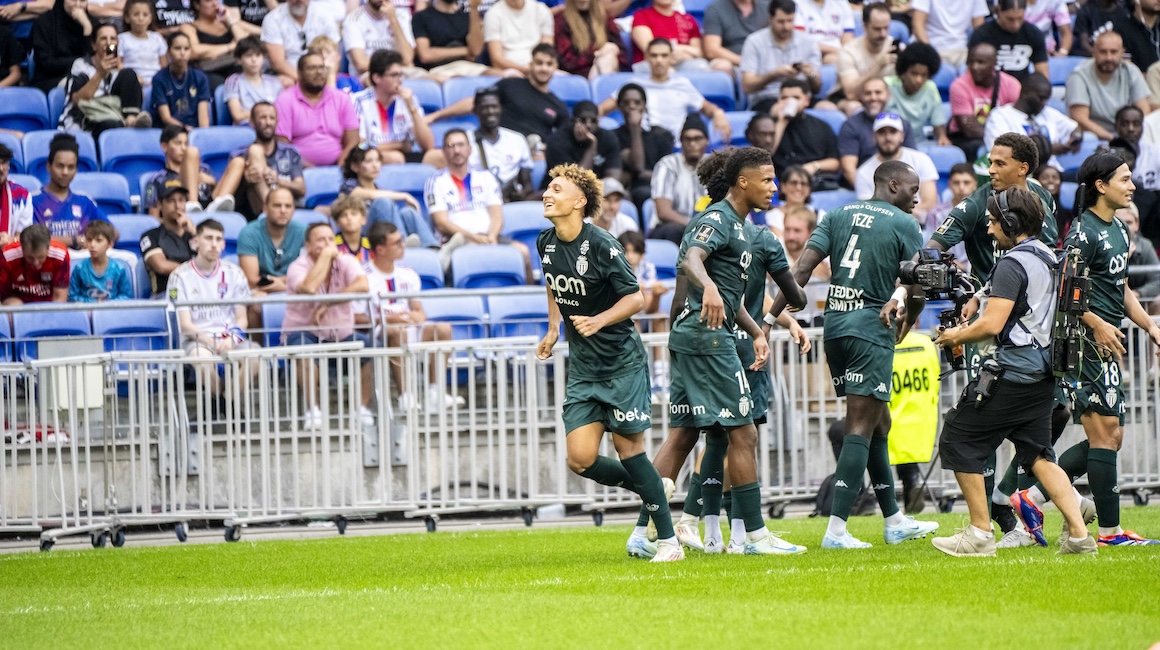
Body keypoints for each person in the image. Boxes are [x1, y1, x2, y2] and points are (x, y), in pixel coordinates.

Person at [647, 146, 807, 555]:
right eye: (768, 180)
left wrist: (757, 328)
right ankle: (750, 535)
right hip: (712, 338)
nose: (774, 187)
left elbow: (706, 284)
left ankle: (657, 529)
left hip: (695, 334)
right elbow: (695, 264)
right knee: (740, 433)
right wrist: (725, 295)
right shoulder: (728, 224)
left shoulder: (727, 226)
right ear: (741, 181)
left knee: (688, 435)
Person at [772, 159, 939, 549]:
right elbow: (916, 286)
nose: (917, 198)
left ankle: (894, 519)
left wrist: (769, 318)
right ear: (893, 186)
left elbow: (801, 271)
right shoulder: (904, 224)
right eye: (913, 191)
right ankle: (836, 530)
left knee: (880, 424)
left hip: (836, 328)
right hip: (870, 329)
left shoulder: (837, 213)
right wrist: (909, 321)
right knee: (860, 427)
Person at [930, 186, 1097, 556]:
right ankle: (1080, 535)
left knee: (958, 438)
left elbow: (992, 324)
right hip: (1044, 376)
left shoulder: (1011, 263)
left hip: (1014, 373)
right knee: (1038, 455)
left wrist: (954, 335)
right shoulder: (1049, 255)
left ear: (1010, 222)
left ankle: (978, 533)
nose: (988, 230)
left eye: (992, 221)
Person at [534, 163, 683, 562]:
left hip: (621, 362)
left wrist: (598, 320)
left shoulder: (602, 244)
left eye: (557, 188)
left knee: (628, 451)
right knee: (579, 459)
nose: (548, 193)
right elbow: (553, 282)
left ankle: (669, 543)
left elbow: (634, 298)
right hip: (584, 368)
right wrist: (553, 328)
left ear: (579, 202)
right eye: (548, 187)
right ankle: (653, 488)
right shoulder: (545, 242)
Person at [1010, 153, 1160, 547]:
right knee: (1106, 433)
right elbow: (1066, 289)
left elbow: (1121, 288)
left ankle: (1033, 496)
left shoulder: (1120, 231)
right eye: (1125, 179)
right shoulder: (1083, 231)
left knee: (1110, 437)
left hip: (1107, 341)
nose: (1132, 186)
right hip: (1083, 342)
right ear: (1101, 185)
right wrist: (1096, 324)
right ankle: (1109, 532)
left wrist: (1150, 326)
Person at [361, 220, 463, 410]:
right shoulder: (363, 276)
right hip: (379, 332)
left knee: (442, 328)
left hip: (407, 325)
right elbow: (356, 317)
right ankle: (405, 395)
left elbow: (417, 308)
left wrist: (418, 316)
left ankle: (435, 392)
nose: (403, 246)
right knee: (396, 330)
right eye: (397, 243)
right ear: (381, 249)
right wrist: (387, 319)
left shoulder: (408, 274)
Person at [283, 221, 375, 430]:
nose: (327, 244)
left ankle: (361, 409)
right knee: (304, 351)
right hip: (305, 332)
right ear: (307, 246)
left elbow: (362, 284)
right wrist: (325, 257)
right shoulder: (297, 267)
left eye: (330, 240)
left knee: (370, 347)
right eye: (321, 240)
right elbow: (308, 287)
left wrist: (327, 302)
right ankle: (313, 411)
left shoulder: (346, 261)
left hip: (340, 335)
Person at [168, 218, 260, 401]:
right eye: (208, 238)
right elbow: (185, 325)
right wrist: (210, 341)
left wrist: (231, 338)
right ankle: (221, 404)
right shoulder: (179, 276)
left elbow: (242, 319)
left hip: (229, 337)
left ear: (224, 244)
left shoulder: (235, 273)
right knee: (202, 360)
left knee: (255, 356)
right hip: (196, 340)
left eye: (218, 239)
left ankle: (226, 402)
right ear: (195, 242)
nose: (214, 244)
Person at [425, 129, 532, 275]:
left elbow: (497, 215)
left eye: (461, 145)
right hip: (457, 240)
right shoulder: (436, 181)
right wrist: (474, 238)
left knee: (523, 252)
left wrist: (492, 237)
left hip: (490, 236)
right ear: (443, 151)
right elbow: (441, 223)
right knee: (472, 254)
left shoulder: (486, 177)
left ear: (469, 149)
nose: (457, 150)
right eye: (451, 146)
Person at [597, 38, 732, 145]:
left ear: (671, 58)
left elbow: (707, 108)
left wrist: (717, 113)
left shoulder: (682, 84)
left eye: (664, 55)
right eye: (654, 55)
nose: (659, 60)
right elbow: (602, 109)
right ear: (647, 58)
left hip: (678, 147)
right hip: (644, 146)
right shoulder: (634, 85)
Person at [427, 44, 569, 146]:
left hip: (532, 154)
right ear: (530, 64)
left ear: (555, 67)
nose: (544, 68)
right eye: (539, 63)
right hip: (496, 145)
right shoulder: (511, 84)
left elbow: (562, 142)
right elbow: (476, 103)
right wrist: (434, 116)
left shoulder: (559, 106)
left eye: (549, 64)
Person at [213, 102, 306, 221]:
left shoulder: (290, 152)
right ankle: (272, 208)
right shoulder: (240, 153)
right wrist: (245, 182)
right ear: (252, 122)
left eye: (272, 118)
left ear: (277, 122)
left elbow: (301, 189)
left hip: (288, 206)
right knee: (255, 151)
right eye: (263, 117)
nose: (268, 122)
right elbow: (228, 196)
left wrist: (279, 181)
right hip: (254, 210)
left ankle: (274, 206)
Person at [352, 50, 440, 167]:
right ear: (377, 78)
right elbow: (360, 145)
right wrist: (399, 145)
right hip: (371, 157)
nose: (400, 80)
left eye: (400, 75)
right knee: (396, 158)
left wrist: (412, 109)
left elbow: (428, 145)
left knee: (439, 157)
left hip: (405, 156)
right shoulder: (359, 101)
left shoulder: (408, 99)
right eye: (394, 75)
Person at [338, 146, 439, 248]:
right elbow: (371, 195)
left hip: (382, 230)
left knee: (407, 213)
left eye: (378, 160)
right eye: (369, 161)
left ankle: (434, 249)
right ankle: (401, 242)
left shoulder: (379, 189)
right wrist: (405, 196)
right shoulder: (349, 186)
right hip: (363, 233)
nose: (375, 165)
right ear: (355, 166)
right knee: (383, 202)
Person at [61, 22, 150, 135]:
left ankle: (131, 120)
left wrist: (128, 75)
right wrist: (100, 74)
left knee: (129, 74)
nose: (108, 43)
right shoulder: (81, 65)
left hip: (114, 116)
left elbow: (139, 97)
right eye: (103, 39)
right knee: (113, 125)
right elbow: (77, 100)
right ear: (93, 45)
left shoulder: (121, 71)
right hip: (84, 119)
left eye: (113, 39)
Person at [274, 52, 360, 168]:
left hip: (339, 167)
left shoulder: (341, 98)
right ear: (299, 73)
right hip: (299, 169)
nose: (319, 72)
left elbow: (353, 140)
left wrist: (341, 165)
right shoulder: (285, 100)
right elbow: (282, 144)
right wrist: (312, 171)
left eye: (322, 67)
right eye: (312, 68)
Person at [984, 73, 1082, 171]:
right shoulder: (1000, 116)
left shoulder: (1047, 112)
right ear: (1026, 93)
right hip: (1021, 174)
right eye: (1041, 98)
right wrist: (1048, 150)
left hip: (1052, 173)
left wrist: (1076, 138)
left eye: (1046, 99)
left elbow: (1074, 128)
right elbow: (1002, 151)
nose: (1044, 103)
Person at [1066, 31, 1151, 142]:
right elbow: (1080, 119)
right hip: (1097, 138)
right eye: (1103, 52)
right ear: (1094, 52)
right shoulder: (1079, 75)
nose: (1109, 57)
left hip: (1129, 134)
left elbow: (1144, 111)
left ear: (1122, 53)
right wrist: (1114, 140)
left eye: (1114, 52)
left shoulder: (1131, 71)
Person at [740, 0, 823, 111]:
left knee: (828, 108)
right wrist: (774, 74)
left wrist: (810, 75)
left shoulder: (808, 42)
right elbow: (747, 86)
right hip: (768, 98)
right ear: (770, 18)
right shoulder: (754, 41)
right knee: (784, 110)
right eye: (781, 22)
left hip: (802, 98)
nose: (786, 27)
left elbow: (817, 88)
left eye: (790, 21)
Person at [854, 113, 939, 221]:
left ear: (902, 136)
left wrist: (892, 212)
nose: (888, 137)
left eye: (893, 132)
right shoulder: (863, 172)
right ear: (874, 137)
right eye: (881, 132)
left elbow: (930, 203)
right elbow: (869, 212)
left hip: (921, 226)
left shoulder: (921, 160)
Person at [948, 43, 1022, 163]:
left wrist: (981, 127)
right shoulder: (959, 86)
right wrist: (997, 131)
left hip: (998, 137)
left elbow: (1015, 122)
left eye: (980, 62)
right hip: (965, 140)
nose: (974, 67)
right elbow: (968, 130)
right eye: (971, 62)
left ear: (994, 63)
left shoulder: (1011, 84)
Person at [32, 134, 106, 250]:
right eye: (60, 166)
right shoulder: (33, 201)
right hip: (49, 259)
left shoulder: (84, 200)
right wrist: (74, 240)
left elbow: (112, 232)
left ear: (76, 170)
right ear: (48, 166)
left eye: (71, 167)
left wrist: (93, 241)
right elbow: (32, 239)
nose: (65, 172)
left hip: (83, 259)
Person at [838, 77, 916, 187]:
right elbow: (849, 169)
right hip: (864, 189)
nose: (873, 97)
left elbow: (911, 163)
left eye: (878, 92)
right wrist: (875, 195)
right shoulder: (850, 126)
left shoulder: (902, 124)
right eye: (868, 93)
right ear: (861, 97)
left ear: (888, 95)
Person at [143, 124, 231, 216]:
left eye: (186, 144)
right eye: (178, 143)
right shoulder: (157, 179)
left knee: (237, 162)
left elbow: (215, 193)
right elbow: (154, 217)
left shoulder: (204, 169)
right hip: (179, 219)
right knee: (192, 151)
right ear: (164, 147)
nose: (184, 148)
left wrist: (211, 181)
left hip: (209, 215)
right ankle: (192, 206)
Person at [466, 87, 536, 203]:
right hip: (480, 201)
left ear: (501, 109)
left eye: (494, 107)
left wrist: (521, 194)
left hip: (512, 200)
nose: (490, 111)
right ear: (475, 111)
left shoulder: (517, 139)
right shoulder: (466, 140)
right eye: (485, 107)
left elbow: (528, 184)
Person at [648, 115, 708, 243]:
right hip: (669, 227)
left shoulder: (715, 165)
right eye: (687, 139)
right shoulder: (667, 165)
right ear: (681, 142)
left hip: (706, 229)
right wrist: (695, 226)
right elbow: (664, 212)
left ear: (707, 141)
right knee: (674, 231)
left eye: (697, 139)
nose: (692, 144)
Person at [612, 83, 675, 208]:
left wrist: (644, 174)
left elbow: (666, 174)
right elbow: (637, 166)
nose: (632, 106)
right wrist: (635, 129)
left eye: (637, 102)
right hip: (630, 191)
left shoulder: (660, 137)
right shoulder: (613, 136)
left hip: (657, 188)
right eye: (627, 103)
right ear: (619, 107)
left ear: (644, 106)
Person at [767, 78, 840, 185]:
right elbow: (766, 154)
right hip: (783, 183)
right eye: (784, 98)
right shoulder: (769, 125)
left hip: (815, 180)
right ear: (778, 100)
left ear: (806, 101)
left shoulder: (820, 125)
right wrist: (782, 122)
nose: (789, 102)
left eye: (796, 98)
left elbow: (835, 162)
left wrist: (814, 166)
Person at [237, 187, 306, 294]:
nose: (283, 211)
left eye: (288, 206)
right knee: (257, 302)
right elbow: (251, 281)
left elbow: (310, 275)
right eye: (277, 205)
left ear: (293, 210)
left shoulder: (304, 232)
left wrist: (281, 285)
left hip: (296, 291)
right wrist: (289, 283)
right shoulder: (249, 233)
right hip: (261, 291)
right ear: (265, 208)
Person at [260, 0, 340, 86]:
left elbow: (334, 55)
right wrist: (307, 80)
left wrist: (325, 78)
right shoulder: (273, 19)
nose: (299, 0)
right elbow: (278, 63)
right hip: (289, 73)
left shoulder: (324, 15)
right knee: (286, 82)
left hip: (321, 70)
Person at [967, 0, 1050, 83]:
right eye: (1010, 19)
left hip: (1023, 90)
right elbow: (971, 72)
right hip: (989, 89)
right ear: (999, 11)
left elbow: (1042, 73)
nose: (1015, 24)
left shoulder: (1033, 34)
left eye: (1020, 18)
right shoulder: (982, 34)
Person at [885, 41, 949, 147]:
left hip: (919, 143)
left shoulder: (930, 88)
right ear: (903, 73)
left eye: (924, 75)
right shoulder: (887, 86)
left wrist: (942, 136)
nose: (919, 80)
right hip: (890, 144)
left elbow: (937, 119)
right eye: (914, 74)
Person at [544, 101, 622, 187]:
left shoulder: (608, 138)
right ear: (573, 121)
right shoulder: (557, 140)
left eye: (593, 121)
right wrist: (592, 146)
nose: (588, 125)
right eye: (583, 120)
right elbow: (575, 182)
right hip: (559, 190)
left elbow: (613, 177)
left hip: (596, 191)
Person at [410, 0, 490, 82]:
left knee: (499, 75)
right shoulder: (421, 17)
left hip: (470, 67)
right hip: (439, 70)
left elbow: (476, 50)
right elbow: (425, 55)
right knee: (457, 80)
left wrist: (474, 9)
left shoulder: (466, 17)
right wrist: (467, 50)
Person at [140, 179, 195, 295]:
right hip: (166, 295)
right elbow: (162, 266)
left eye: (181, 200)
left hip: (197, 293)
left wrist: (194, 232)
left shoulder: (195, 234)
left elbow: (213, 260)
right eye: (171, 201)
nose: (178, 206)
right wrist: (196, 271)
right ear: (160, 204)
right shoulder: (150, 236)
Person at [180, 0, 252, 89]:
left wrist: (230, 21)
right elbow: (195, 51)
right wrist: (231, 47)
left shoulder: (227, 23)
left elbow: (245, 43)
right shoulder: (189, 27)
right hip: (208, 71)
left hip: (234, 66)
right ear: (197, 5)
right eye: (208, 1)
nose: (215, 4)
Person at [834, 2, 895, 104]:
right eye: (877, 29)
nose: (883, 34)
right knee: (854, 106)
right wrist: (878, 66)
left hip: (883, 100)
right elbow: (851, 94)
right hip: (849, 100)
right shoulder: (848, 52)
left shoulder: (895, 47)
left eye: (886, 28)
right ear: (865, 26)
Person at [150, 31, 211, 129]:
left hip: (194, 130)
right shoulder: (159, 79)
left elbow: (203, 117)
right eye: (177, 48)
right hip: (169, 130)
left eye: (186, 49)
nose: (182, 53)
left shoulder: (200, 77)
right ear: (168, 52)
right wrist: (185, 129)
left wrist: (201, 134)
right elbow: (166, 118)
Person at [554, 0, 627, 78]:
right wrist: (597, 54)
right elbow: (565, 61)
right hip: (575, 75)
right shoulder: (561, 19)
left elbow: (623, 57)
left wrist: (613, 49)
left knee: (608, 57)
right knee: (605, 58)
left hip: (605, 66)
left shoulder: (604, 17)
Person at [31, 0, 93, 92]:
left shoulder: (91, 23)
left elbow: (94, 59)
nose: (78, 5)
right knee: (80, 85)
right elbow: (46, 63)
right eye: (73, 0)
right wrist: (79, 61)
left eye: (83, 1)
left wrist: (87, 29)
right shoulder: (44, 22)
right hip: (50, 79)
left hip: (86, 77)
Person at [342, 0, 415, 76]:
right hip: (370, 74)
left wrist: (393, 20)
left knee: (424, 76)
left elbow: (407, 58)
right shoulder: (354, 20)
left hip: (399, 71)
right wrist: (391, 68)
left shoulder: (401, 17)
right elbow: (361, 63)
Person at [0, 224, 69, 304]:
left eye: (41, 257)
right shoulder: (7, 255)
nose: (36, 263)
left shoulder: (60, 255)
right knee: (14, 304)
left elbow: (59, 298)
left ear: (48, 248)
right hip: (16, 300)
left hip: (48, 304)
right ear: (22, 248)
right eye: (30, 257)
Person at [630, 0, 706, 70]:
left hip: (681, 62)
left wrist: (684, 53)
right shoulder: (642, 16)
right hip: (650, 64)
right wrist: (674, 51)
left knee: (701, 66)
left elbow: (698, 51)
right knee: (666, 72)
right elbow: (649, 49)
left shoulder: (688, 19)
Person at [483, 0, 552, 77]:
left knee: (563, 77)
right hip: (509, 69)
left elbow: (548, 50)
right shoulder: (493, 14)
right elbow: (496, 59)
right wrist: (525, 70)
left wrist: (537, 67)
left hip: (540, 67)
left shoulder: (541, 10)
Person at [911, 0, 989, 68]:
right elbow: (918, 26)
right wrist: (931, 55)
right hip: (933, 49)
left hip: (962, 52)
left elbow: (979, 29)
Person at [223, 37, 281, 126]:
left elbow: (281, 112)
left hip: (271, 127)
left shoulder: (274, 82)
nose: (254, 60)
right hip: (245, 128)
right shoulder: (233, 81)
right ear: (239, 60)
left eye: (258, 55)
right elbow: (237, 115)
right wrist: (265, 114)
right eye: (248, 56)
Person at [68, 220, 132, 301]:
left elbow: (126, 296)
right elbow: (72, 297)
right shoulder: (79, 269)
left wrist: (108, 304)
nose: (92, 245)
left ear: (110, 244)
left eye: (98, 240)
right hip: (85, 312)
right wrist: (93, 303)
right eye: (89, 240)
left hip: (112, 312)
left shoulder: (119, 269)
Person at [702, 0, 770, 76]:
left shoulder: (768, 7)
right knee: (722, 67)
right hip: (732, 62)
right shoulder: (715, 9)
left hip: (763, 60)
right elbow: (712, 50)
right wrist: (745, 61)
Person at [1120, 202, 1160, 314]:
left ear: (1137, 224)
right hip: (1111, 301)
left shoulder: (1145, 246)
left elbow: (1157, 281)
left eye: (1129, 222)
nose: (1125, 227)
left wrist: (1137, 294)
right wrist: (1124, 259)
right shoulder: (1102, 244)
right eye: (1120, 222)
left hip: (1139, 303)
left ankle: (1153, 331)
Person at [119, 0, 168, 87]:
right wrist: (134, 78)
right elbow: (118, 64)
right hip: (132, 84)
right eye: (136, 14)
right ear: (127, 17)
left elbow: (163, 65)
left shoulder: (157, 38)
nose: (141, 19)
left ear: (150, 18)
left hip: (156, 84)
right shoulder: (122, 39)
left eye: (145, 15)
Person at [1112, 105, 1160, 191]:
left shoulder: (1156, 152)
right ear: (1116, 126)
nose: (1131, 129)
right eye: (1124, 124)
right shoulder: (1105, 153)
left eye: (1136, 124)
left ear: (1143, 127)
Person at [792, 0, 854, 64]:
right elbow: (801, 40)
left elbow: (848, 38)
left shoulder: (842, 3)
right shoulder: (797, 3)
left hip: (838, 53)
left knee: (836, 59)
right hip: (808, 54)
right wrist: (839, 51)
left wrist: (845, 53)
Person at [0, 143, 32, 246]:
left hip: (10, 257)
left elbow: (25, 238)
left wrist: (11, 240)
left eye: (4, 163)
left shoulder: (21, 196)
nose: (1, 169)